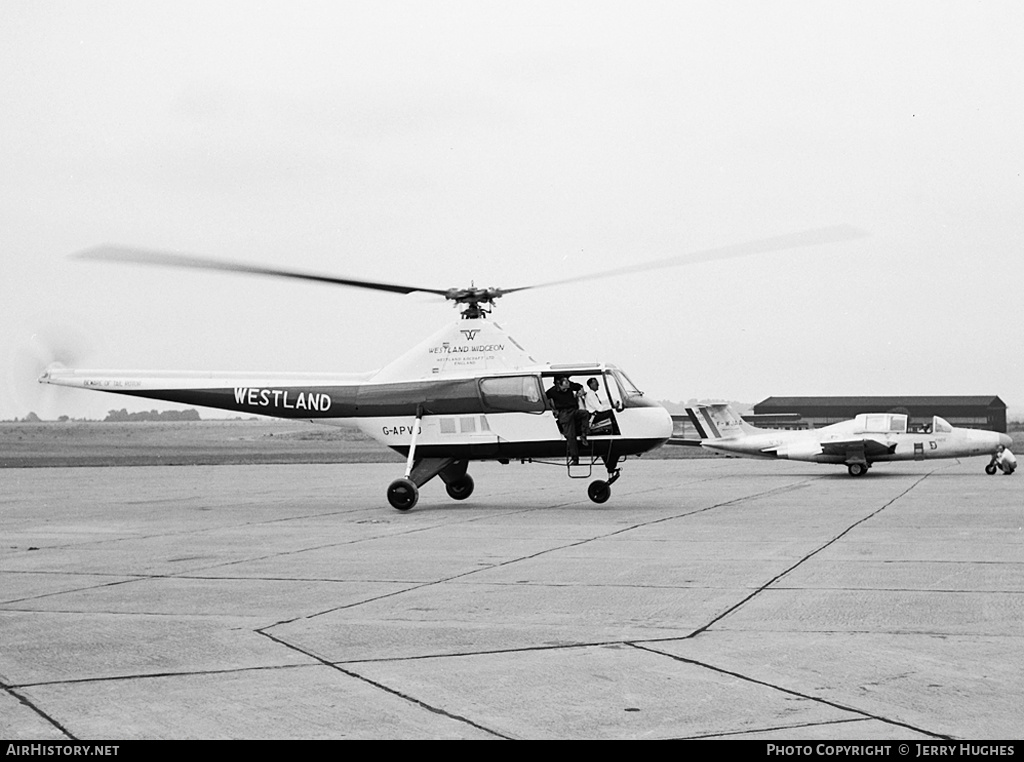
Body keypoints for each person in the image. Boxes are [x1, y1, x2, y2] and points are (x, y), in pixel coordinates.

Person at [545, 375, 590, 464]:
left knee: (585, 414)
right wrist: (553, 410)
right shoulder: (551, 391)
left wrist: (580, 392)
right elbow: (544, 398)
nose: (566, 387)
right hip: (564, 413)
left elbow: (579, 386)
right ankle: (575, 458)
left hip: (573, 410)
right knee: (571, 436)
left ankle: (584, 434)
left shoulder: (569, 386)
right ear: (558, 384)